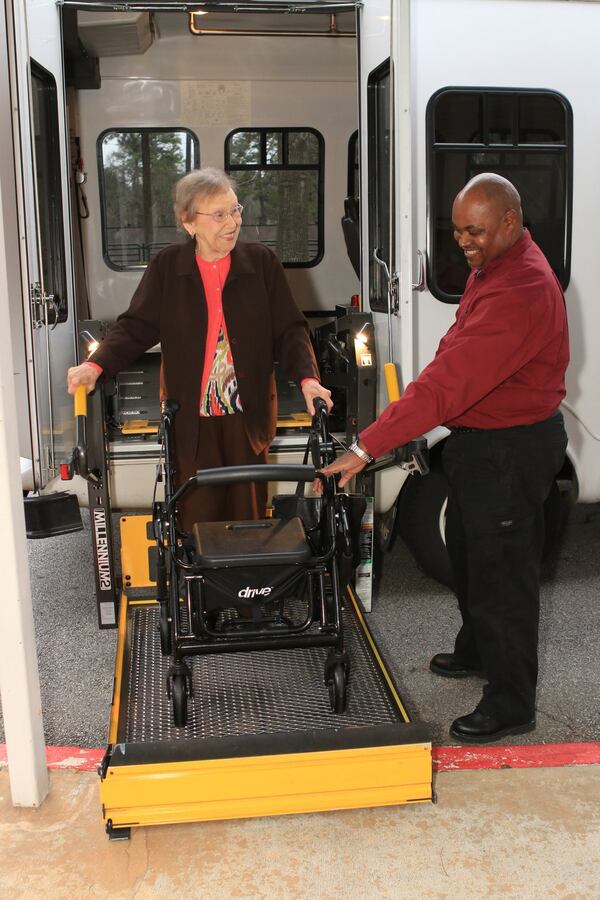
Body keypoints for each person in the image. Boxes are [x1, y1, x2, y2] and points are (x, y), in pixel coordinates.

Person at [320, 173, 569, 744]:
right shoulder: (498, 267)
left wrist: (365, 447)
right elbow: (453, 357)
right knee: (466, 548)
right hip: (482, 444)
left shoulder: (522, 288)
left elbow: (446, 385)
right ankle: (479, 648)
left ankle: (511, 703)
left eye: (475, 230)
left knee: (503, 575)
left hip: (510, 449)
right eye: (457, 230)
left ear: (511, 221)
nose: (463, 241)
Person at [67, 167, 331, 528]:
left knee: (248, 518)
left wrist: (308, 380)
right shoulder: (168, 266)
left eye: (236, 210)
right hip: (191, 420)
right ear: (189, 222)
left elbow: (290, 329)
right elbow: (136, 327)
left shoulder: (262, 263)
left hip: (246, 414)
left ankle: (247, 585)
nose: (232, 222)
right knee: (197, 520)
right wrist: (95, 366)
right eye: (219, 214)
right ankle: (199, 585)